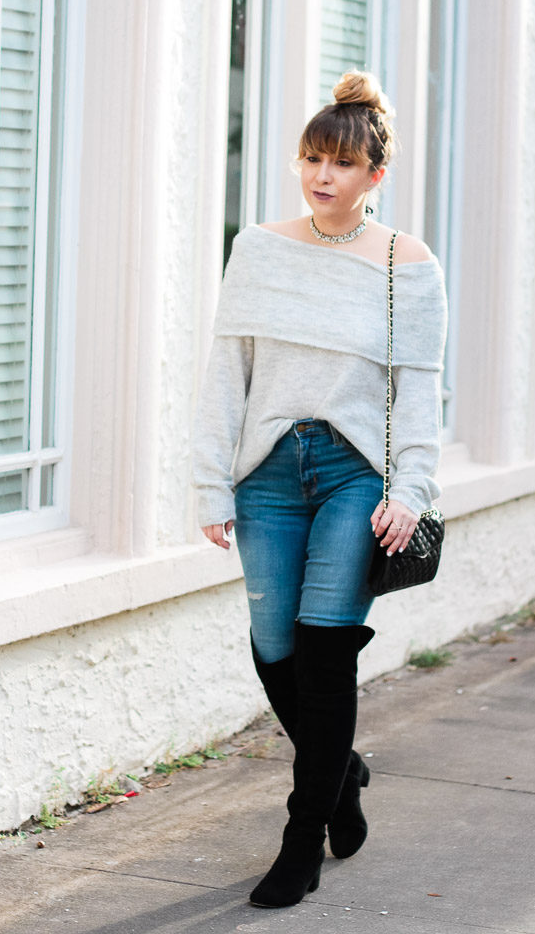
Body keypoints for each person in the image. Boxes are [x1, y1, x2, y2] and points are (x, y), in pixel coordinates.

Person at [192, 70, 447, 908]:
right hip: (267, 470)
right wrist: (209, 482)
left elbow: (418, 388)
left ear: (376, 175)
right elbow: (227, 372)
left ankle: (303, 841)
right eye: (310, 158)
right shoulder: (258, 249)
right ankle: (343, 775)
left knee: (326, 647)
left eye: (339, 163)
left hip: (351, 476)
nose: (319, 176)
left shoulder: (408, 267)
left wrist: (410, 488)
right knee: (275, 646)